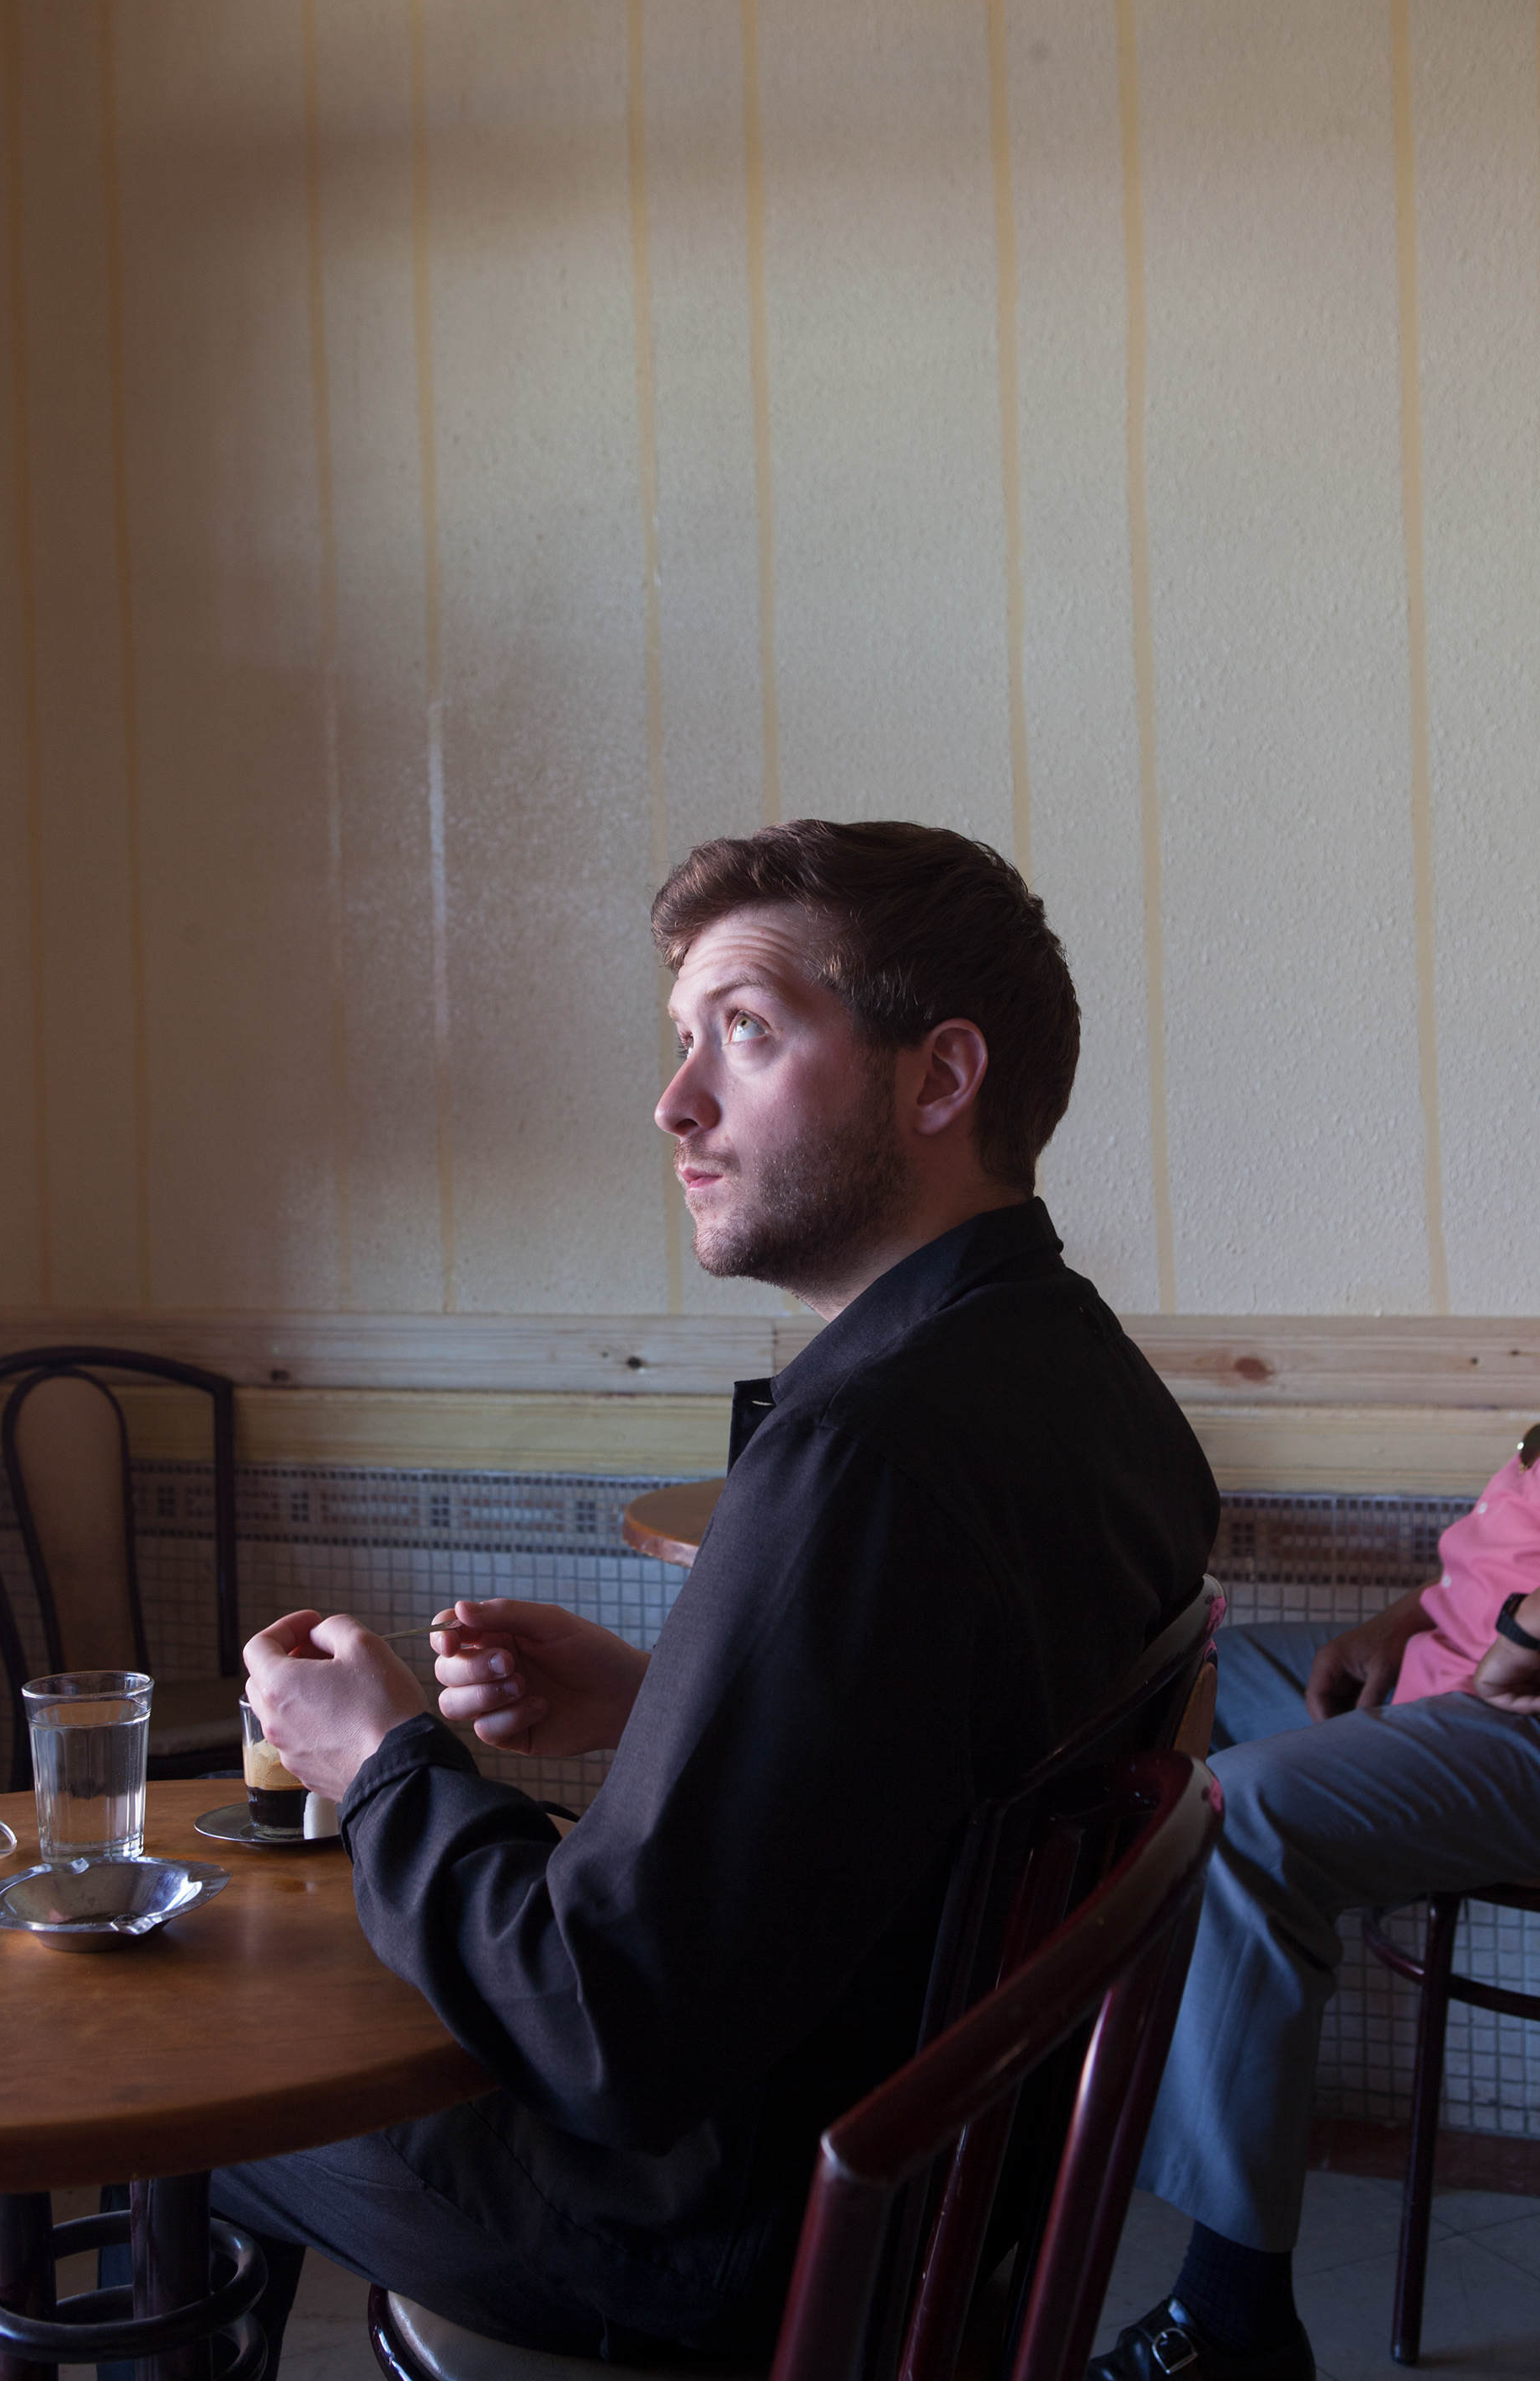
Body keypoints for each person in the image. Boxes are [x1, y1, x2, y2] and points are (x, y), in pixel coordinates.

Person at [209, 819, 1220, 2366]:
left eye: (744, 1032)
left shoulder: (862, 1447)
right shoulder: (1095, 1389)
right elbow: (945, 1770)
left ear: (941, 1079)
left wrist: (381, 1760)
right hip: (936, 2196)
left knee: (188, 2086)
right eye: (686, 1039)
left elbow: (598, 2026)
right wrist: (655, 1700)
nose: (674, 1101)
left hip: (722, 2231)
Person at [1091, 1425, 1540, 2381]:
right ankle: (1003, 2186)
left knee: (1239, 1815)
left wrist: (1530, 1638)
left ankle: (1233, 2320)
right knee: (1141, 1704)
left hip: (1525, 1705)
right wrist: (1414, 1616)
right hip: (1462, 1662)